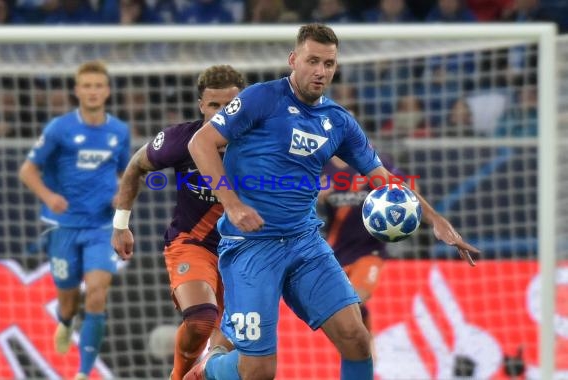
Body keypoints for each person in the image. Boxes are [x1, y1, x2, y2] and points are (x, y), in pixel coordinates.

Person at [185, 23, 478, 380]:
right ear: (294, 60)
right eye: (312, 61)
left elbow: (384, 179)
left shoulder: (338, 121)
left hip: (305, 244)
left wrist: (435, 220)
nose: (320, 71)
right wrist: (231, 203)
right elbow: (200, 143)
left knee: (356, 338)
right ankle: (209, 369)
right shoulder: (261, 98)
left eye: (329, 64)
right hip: (251, 247)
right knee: (258, 371)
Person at [111, 65, 245, 380]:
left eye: (231, 106)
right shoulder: (180, 140)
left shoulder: (263, 145)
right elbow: (135, 167)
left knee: (224, 360)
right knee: (201, 320)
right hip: (192, 244)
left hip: (243, 252)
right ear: (201, 105)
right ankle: (177, 375)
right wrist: (121, 224)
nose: (223, 113)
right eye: (215, 105)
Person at [18, 60, 130, 380]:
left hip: (102, 226)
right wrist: (48, 196)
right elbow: (27, 170)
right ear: (77, 90)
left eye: (98, 86)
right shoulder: (60, 128)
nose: (93, 92)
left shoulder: (118, 131)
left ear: (107, 91)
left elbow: (125, 173)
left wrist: (120, 193)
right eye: (87, 86)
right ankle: (65, 322)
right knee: (67, 302)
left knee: (96, 293)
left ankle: (83, 372)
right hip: (64, 225)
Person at [317, 155, 405, 334]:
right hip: (336, 251)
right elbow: (301, 200)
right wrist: (316, 197)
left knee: (357, 299)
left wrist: (394, 200)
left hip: (370, 249)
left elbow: (407, 189)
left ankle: (367, 349)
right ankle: (367, 349)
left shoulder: (370, 161)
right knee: (345, 309)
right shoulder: (321, 167)